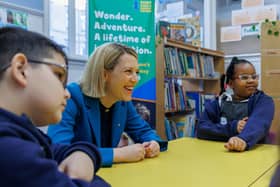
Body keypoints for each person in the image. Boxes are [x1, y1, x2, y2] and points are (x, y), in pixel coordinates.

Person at [0, 27, 110, 187]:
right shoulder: (8, 149)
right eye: (59, 75)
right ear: (21, 69)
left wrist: (83, 154)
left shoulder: (23, 133)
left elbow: (57, 150)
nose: (67, 94)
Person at [48, 42, 168, 167]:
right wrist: (118, 154)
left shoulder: (122, 101)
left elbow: (143, 131)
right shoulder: (71, 97)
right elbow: (58, 151)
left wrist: (154, 143)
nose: (135, 79)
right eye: (128, 71)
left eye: (136, 72)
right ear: (104, 74)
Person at [196, 57, 274, 152]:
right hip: (221, 153)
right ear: (231, 83)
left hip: (254, 153)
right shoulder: (219, 102)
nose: (251, 80)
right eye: (244, 77)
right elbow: (202, 128)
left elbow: (259, 123)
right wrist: (233, 127)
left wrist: (242, 139)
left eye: (254, 77)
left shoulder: (263, 101)